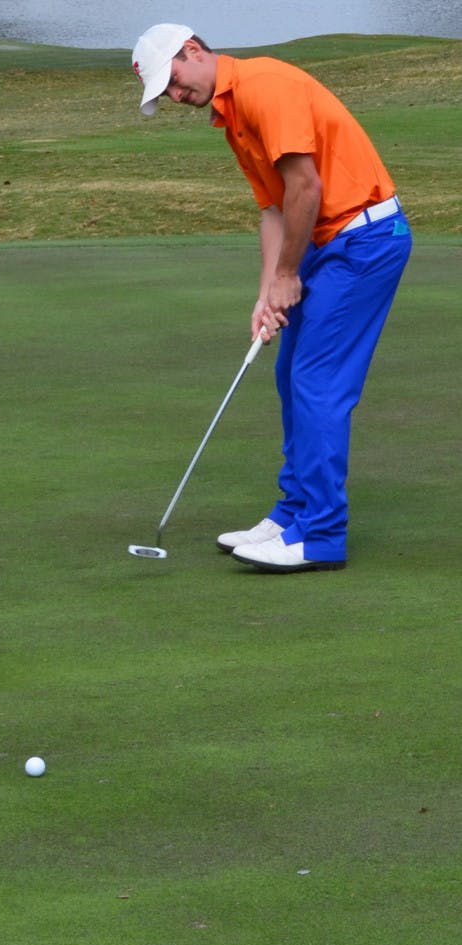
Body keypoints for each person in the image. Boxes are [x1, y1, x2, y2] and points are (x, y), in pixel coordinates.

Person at [131, 24, 412, 573]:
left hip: (364, 238)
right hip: (326, 243)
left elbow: (306, 186)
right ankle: (293, 514)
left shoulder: (264, 86)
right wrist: (267, 294)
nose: (175, 96)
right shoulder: (232, 117)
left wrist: (288, 275)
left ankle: (321, 533)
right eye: (165, 92)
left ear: (193, 51)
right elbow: (275, 210)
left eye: (174, 81)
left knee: (316, 381)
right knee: (290, 374)